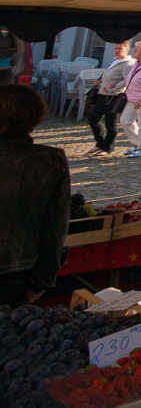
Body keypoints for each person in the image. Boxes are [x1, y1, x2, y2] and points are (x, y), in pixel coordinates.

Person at [0, 86, 70, 307]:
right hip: (16, 276)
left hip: (16, 274)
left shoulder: (50, 161)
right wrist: (42, 281)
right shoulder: (49, 160)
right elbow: (55, 229)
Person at [85, 41, 133, 156]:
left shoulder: (127, 63)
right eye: (116, 48)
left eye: (120, 48)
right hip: (104, 94)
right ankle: (100, 143)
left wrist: (114, 86)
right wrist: (100, 81)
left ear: (127, 49)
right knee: (93, 118)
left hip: (114, 96)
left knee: (110, 122)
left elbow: (127, 80)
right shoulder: (115, 60)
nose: (117, 50)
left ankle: (108, 147)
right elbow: (109, 75)